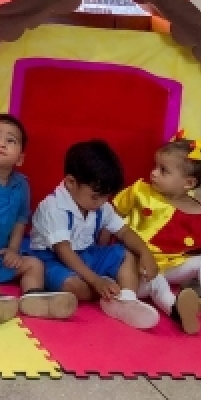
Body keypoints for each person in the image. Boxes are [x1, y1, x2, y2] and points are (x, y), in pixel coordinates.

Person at [0, 115, 78, 327]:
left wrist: (13, 250)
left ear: (20, 159)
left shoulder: (21, 185)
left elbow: (20, 220)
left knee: (34, 264)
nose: (1, 143)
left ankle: (33, 296)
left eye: (11, 141)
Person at [114, 133, 201, 334]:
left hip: (172, 265)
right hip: (140, 270)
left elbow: (198, 247)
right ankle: (177, 310)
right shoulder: (140, 191)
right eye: (155, 167)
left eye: (163, 171)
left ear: (189, 183)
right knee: (160, 284)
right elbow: (111, 216)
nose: (154, 173)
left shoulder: (197, 207)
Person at [28, 140, 161, 330]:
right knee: (71, 286)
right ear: (71, 182)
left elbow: (124, 231)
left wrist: (145, 252)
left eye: (106, 196)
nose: (102, 202)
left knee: (127, 254)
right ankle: (115, 291)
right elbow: (64, 251)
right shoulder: (53, 207)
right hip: (53, 259)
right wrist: (95, 280)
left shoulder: (100, 205)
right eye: (95, 197)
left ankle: (127, 300)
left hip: (87, 253)